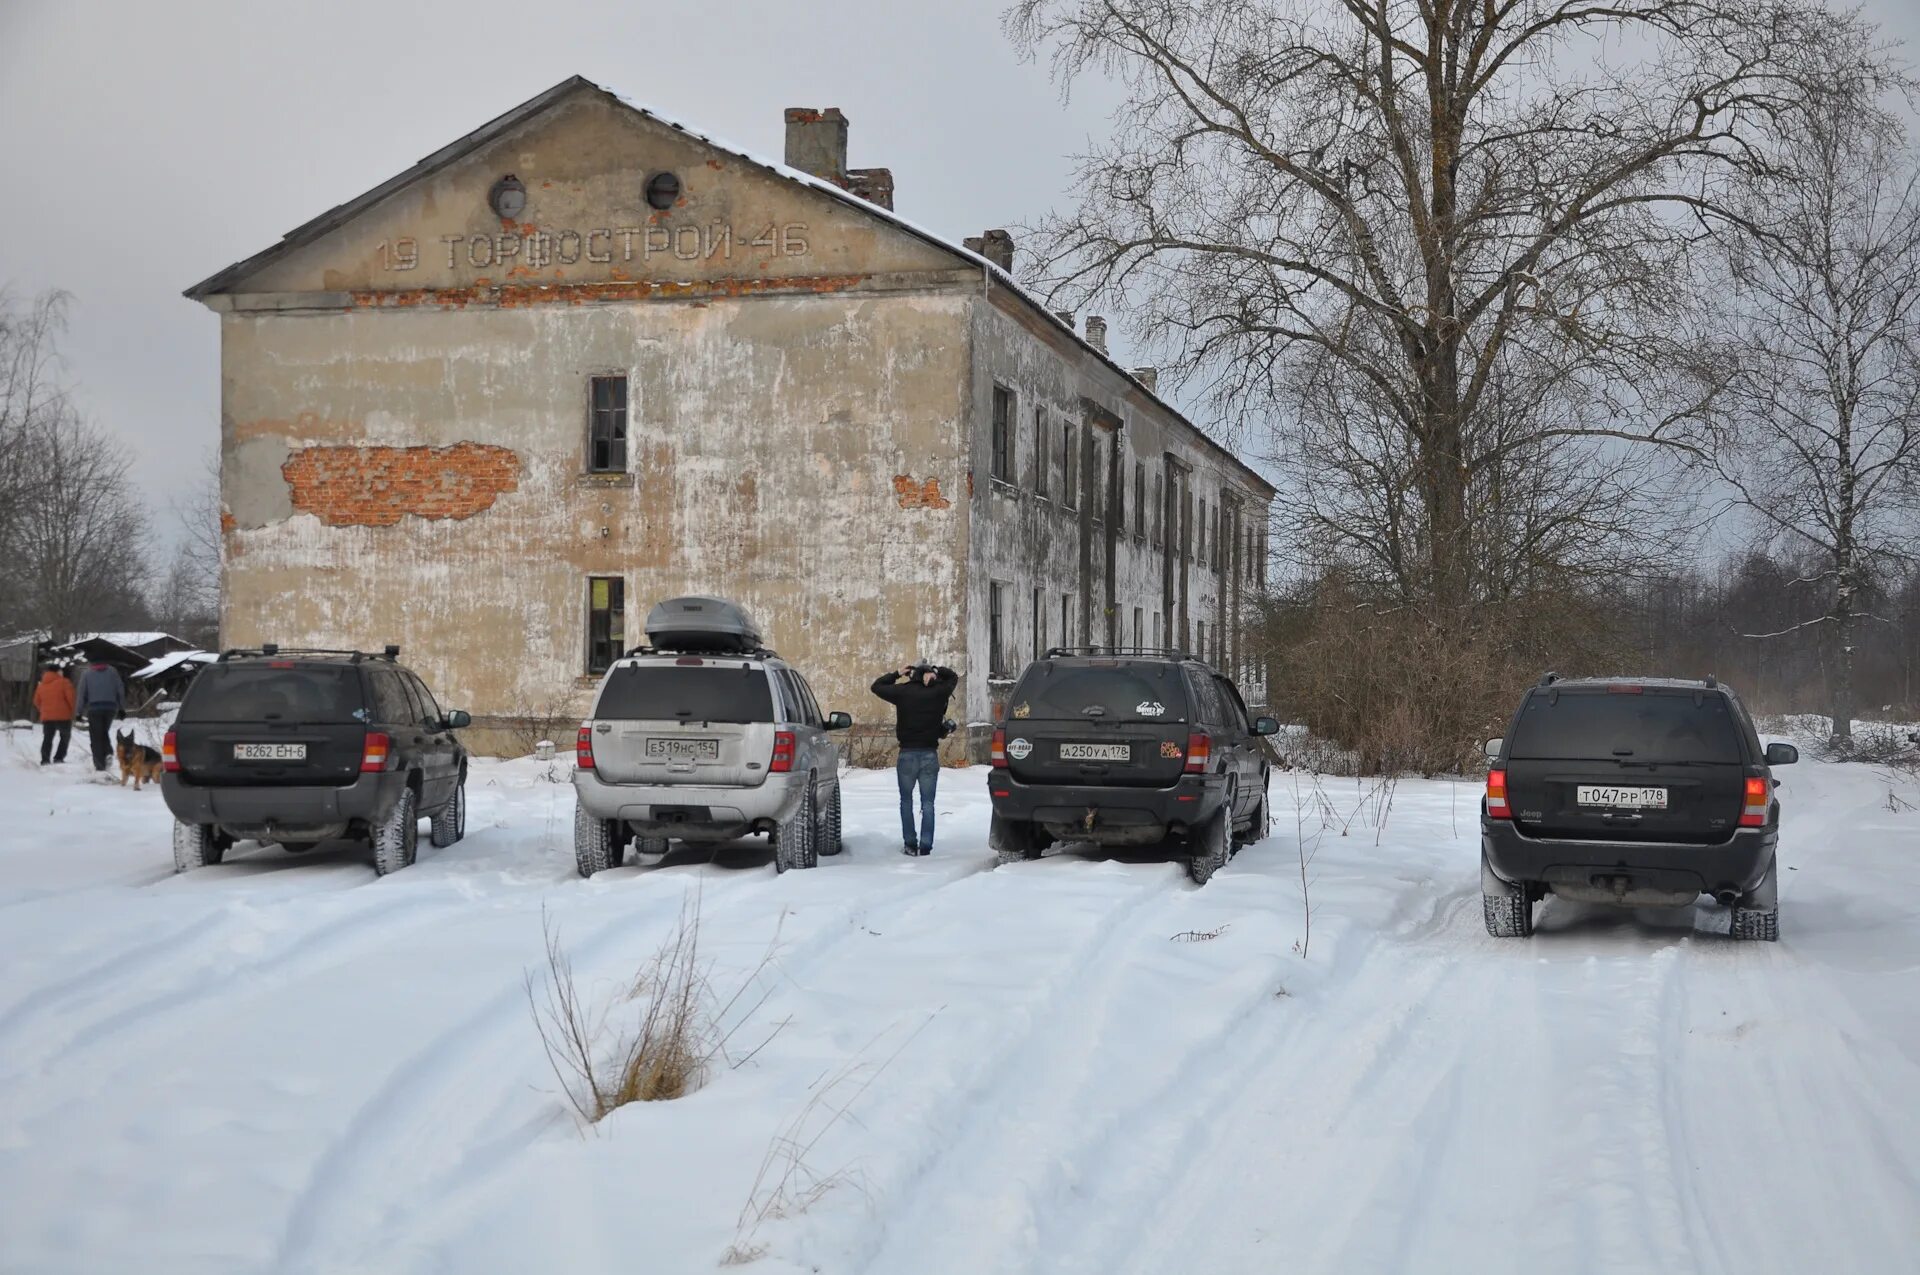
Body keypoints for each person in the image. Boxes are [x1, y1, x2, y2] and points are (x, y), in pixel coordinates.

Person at [870, 662, 957, 855]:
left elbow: (876, 687)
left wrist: (896, 673)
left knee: (906, 801)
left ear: (912, 675)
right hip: (929, 754)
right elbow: (952, 677)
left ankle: (910, 844)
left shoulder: (903, 692)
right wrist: (937, 671)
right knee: (928, 803)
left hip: (907, 754)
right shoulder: (938, 692)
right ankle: (926, 845)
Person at [74, 660, 126, 773]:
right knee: (103, 732)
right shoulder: (112, 671)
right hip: (110, 708)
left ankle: (100, 766)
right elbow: (120, 689)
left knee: (96, 736)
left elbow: (82, 693)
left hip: (94, 708)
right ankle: (107, 753)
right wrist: (122, 708)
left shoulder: (87, 673)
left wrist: (79, 712)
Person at [32, 664, 76, 766]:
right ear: (57, 672)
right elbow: (71, 699)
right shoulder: (64, 682)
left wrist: (44, 710)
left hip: (47, 717)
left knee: (47, 738)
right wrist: (72, 711)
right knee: (65, 737)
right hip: (63, 716)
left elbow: (36, 701)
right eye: (61, 671)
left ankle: (45, 759)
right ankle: (59, 757)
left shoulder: (41, 685)